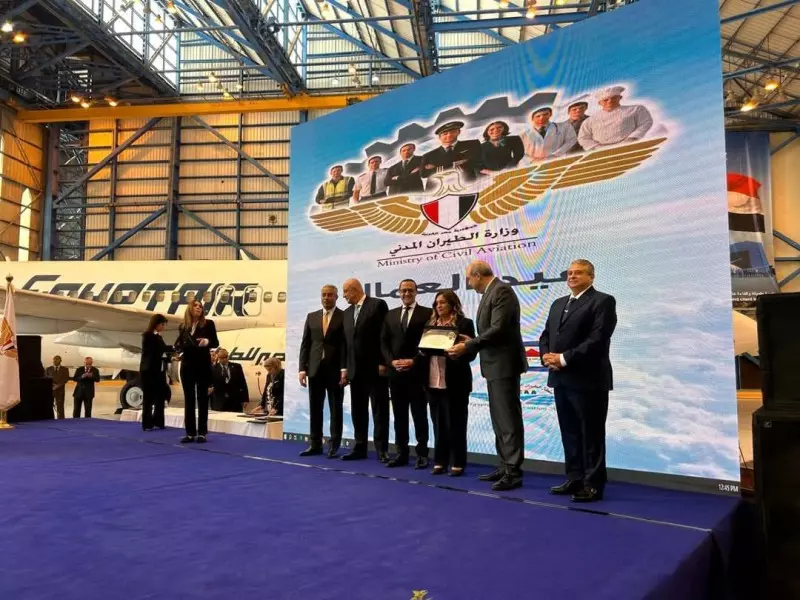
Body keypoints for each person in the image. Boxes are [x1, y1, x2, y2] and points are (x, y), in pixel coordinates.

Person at [539, 259, 617, 503]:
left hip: (588, 380)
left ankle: (593, 484)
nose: (572, 276)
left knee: (591, 434)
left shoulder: (603, 301)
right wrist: (546, 356)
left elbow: (598, 339)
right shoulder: (558, 303)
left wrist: (563, 358)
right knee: (569, 433)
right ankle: (574, 478)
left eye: (579, 273)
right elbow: (546, 335)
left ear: (591, 277)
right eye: (570, 273)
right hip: (560, 378)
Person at [448, 261, 526, 491]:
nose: (469, 284)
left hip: (504, 365)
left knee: (508, 420)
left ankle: (513, 471)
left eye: (469, 279)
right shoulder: (491, 292)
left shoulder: (501, 291)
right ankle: (504, 465)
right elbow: (490, 330)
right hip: (494, 366)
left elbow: (499, 329)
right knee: (499, 420)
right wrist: (470, 341)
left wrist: (469, 345)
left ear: (477, 275)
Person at [380, 279, 434, 468]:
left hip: (417, 373)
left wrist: (414, 361)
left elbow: (429, 343)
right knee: (399, 416)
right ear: (399, 292)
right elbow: (383, 342)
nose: (407, 293)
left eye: (410, 290)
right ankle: (401, 454)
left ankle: (422, 454)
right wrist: (391, 362)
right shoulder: (390, 315)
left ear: (416, 292)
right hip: (396, 375)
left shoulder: (427, 313)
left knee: (420, 416)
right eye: (403, 290)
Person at [423, 290, 476, 477]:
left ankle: (458, 462)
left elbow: (471, 353)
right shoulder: (429, 325)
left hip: (456, 382)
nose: (439, 306)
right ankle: (440, 461)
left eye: (443, 302)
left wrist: (459, 352)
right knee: (438, 425)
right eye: (437, 303)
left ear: (453, 304)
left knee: (456, 424)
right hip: (433, 381)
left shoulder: (464, 324)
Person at [341, 278, 390, 462]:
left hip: (375, 369)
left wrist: (383, 362)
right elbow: (346, 343)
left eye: (345, 291)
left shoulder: (377, 305)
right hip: (355, 371)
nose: (344, 296)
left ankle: (381, 450)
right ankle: (360, 447)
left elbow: (384, 336)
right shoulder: (347, 313)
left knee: (380, 410)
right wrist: (345, 368)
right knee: (358, 410)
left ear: (355, 290)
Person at [298, 284, 346, 458]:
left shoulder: (344, 316)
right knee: (315, 409)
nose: (326, 298)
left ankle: (334, 446)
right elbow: (305, 344)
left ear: (336, 297)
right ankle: (315, 444)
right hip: (314, 370)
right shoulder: (312, 316)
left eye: (330, 295)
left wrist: (344, 368)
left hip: (335, 371)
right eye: (324, 295)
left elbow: (345, 345)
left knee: (336, 410)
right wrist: (302, 369)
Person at [174, 300, 219, 443]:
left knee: (202, 398)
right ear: (190, 309)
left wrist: (207, 342)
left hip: (202, 365)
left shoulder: (208, 324)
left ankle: (202, 433)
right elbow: (180, 344)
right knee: (189, 399)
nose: (198, 308)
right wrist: (180, 352)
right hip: (187, 365)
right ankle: (190, 433)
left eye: (200, 306)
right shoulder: (184, 326)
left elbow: (215, 342)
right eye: (196, 306)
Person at [578, 86, 653, 151]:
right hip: (600, 150)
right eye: (605, 100)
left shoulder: (636, 109)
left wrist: (631, 138)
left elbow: (645, 123)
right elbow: (583, 137)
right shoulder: (590, 120)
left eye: (613, 98)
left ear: (620, 98)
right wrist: (597, 147)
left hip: (629, 146)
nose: (610, 101)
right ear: (599, 103)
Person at [140, 314, 172, 431]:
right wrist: (172, 348)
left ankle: (158, 421)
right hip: (149, 371)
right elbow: (156, 350)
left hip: (159, 370)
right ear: (156, 324)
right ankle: (147, 423)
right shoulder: (148, 335)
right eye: (162, 324)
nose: (163, 327)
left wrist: (171, 357)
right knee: (148, 398)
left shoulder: (158, 337)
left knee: (160, 396)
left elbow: (163, 352)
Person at [210, 348, 249, 412]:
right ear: (218, 358)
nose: (224, 359)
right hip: (219, 402)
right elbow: (210, 383)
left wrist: (245, 399)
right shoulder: (213, 368)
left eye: (225, 357)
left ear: (228, 356)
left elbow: (243, 383)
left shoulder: (237, 367)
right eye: (221, 358)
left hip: (235, 401)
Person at [46, 355, 70, 420]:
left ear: (60, 360)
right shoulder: (48, 369)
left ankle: (61, 420)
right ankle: (50, 419)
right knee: (49, 406)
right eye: (54, 359)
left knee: (60, 406)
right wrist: (52, 385)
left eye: (57, 359)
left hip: (60, 391)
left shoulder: (65, 369)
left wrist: (58, 385)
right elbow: (46, 378)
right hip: (51, 390)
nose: (55, 360)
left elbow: (66, 379)